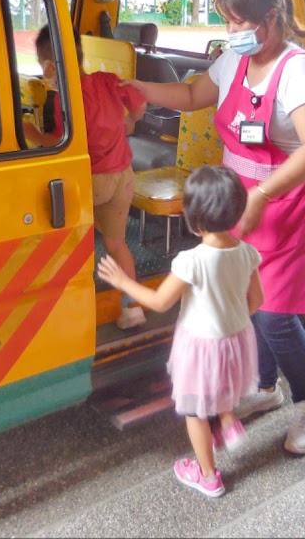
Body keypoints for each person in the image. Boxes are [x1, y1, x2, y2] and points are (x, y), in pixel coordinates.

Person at [120, 0, 305, 455]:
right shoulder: (232, 62)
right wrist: (141, 88)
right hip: (241, 193)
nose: (234, 32)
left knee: (276, 316)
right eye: (227, 21)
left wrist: (262, 194)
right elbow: (196, 95)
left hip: (293, 196)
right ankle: (264, 387)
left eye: (241, 22)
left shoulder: (297, 68)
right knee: (244, 302)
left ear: (272, 19)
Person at [96, 165, 264, 498]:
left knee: (195, 411)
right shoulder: (247, 253)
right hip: (236, 339)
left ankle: (208, 477)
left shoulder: (191, 260)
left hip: (201, 346)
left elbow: (159, 302)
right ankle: (229, 423)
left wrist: (122, 282)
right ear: (238, 210)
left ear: (194, 217)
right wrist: (228, 318)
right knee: (223, 386)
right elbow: (256, 301)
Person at [24, 25, 149, 330]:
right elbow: (140, 101)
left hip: (93, 181)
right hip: (123, 176)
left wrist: (34, 134)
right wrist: (131, 121)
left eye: (43, 67)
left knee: (74, 245)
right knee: (117, 243)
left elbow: (59, 142)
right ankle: (132, 308)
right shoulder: (107, 80)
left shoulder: (61, 100)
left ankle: (73, 313)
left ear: (51, 66)